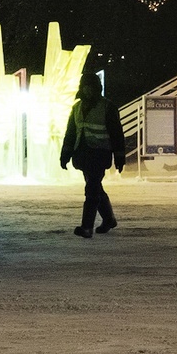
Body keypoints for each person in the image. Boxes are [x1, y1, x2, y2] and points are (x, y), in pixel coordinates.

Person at [59, 55, 128, 237]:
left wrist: (120, 156)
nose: (87, 90)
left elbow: (116, 134)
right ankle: (109, 220)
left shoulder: (107, 108)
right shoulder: (76, 108)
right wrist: (65, 155)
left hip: (99, 153)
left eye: (90, 86)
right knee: (95, 187)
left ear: (97, 88)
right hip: (82, 155)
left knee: (91, 189)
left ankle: (87, 227)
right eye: (85, 86)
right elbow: (71, 133)